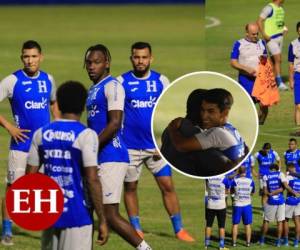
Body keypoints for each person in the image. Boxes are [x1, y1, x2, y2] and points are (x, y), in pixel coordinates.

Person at [118, 41, 194, 241]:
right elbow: (114, 115)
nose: (140, 61)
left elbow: (169, 112)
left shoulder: (161, 80)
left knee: (168, 186)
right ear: (131, 58)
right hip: (130, 147)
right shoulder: (121, 82)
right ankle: (136, 228)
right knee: (131, 187)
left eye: (144, 57)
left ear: (151, 58)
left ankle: (179, 230)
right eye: (136, 57)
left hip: (155, 147)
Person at [26, 81, 108, 249]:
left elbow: (29, 179)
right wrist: (102, 219)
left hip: (50, 215)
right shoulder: (86, 135)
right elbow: (92, 179)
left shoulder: (40, 134)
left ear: (59, 104)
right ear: (83, 105)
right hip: (78, 217)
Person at [84, 44, 151, 250]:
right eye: (88, 62)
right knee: (85, 210)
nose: (91, 67)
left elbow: (114, 123)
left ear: (107, 63)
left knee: (111, 215)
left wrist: (90, 147)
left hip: (112, 157)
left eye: (97, 62)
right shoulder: (93, 89)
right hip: (97, 158)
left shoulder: (112, 86)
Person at [0, 40, 57, 246]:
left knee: (46, 188)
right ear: (21, 58)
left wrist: (58, 127)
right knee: (14, 187)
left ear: (41, 57)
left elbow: (53, 103)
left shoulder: (48, 79)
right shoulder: (12, 81)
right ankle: (7, 230)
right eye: (26, 56)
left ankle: (47, 230)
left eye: (33, 56)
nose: (30, 60)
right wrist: (9, 127)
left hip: (44, 146)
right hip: (21, 145)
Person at [161, 89, 232, 177]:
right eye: (205, 110)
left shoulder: (172, 127)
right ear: (200, 111)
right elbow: (224, 164)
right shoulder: (194, 134)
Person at [167, 88, 245, 165]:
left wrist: (172, 128)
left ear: (224, 113)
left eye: (211, 111)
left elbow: (181, 146)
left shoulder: (218, 133)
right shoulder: (230, 127)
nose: (204, 116)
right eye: (202, 110)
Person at [230, 22, 269, 124]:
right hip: (245, 80)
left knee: (264, 105)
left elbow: (265, 60)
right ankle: (250, 125)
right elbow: (233, 62)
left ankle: (260, 125)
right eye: (253, 34)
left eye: (257, 34)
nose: (255, 36)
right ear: (247, 33)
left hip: (260, 80)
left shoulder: (262, 43)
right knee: (248, 106)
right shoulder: (239, 44)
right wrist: (246, 69)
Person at [259, 164, 295, 247]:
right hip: (280, 201)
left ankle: (262, 240)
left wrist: (270, 193)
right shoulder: (280, 174)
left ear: (271, 169)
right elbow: (285, 186)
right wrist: (293, 192)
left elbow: (264, 192)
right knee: (280, 222)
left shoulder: (266, 176)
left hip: (271, 201)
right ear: (277, 169)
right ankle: (278, 242)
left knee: (266, 221)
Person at [257, 0, 288, 91]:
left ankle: (271, 81)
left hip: (280, 37)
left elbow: (279, 21)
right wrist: (264, 34)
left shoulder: (281, 9)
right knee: (278, 59)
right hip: (271, 38)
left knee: (274, 61)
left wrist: (283, 27)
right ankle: (280, 83)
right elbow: (259, 21)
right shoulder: (269, 8)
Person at [231, 166, 255, 247]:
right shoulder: (250, 181)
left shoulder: (235, 181)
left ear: (238, 172)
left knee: (235, 224)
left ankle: (234, 243)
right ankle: (248, 243)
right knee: (247, 224)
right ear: (246, 172)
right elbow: (252, 193)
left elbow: (232, 191)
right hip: (247, 205)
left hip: (237, 204)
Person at [205, 176, 230, 250]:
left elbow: (207, 188)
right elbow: (227, 190)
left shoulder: (208, 178)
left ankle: (206, 244)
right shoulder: (224, 179)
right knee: (221, 226)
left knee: (209, 225)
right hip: (221, 205)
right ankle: (221, 246)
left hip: (210, 204)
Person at [255, 142, 280, 207]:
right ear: (263, 149)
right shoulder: (258, 154)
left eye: (268, 149)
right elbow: (251, 162)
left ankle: (271, 205)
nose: (266, 151)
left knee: (272, 191)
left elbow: (279, 160)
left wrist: (278, 170)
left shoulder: (274, 153)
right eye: (265, 149)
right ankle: (264, 209)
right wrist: (255, 173)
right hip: (262, 176)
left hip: (271, 176)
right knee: (264, 193)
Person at [283, 163, 300, 247]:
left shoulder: (288, 177)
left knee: (285, 220)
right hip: (298, 201)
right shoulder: (299, 176)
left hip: (290, 200)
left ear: (289, 168)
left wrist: (294, 192)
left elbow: (285, 186)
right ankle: (296, 242)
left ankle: (286, 241)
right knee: (297, 221)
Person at [288, 22, 300, 129]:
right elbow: (291, 64)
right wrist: (291, 80)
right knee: (298, 105)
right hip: (298, 76)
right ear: (297, 31)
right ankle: (298, 129)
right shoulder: (293, 44)